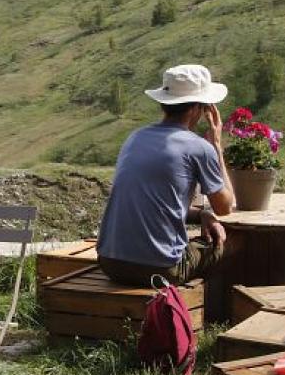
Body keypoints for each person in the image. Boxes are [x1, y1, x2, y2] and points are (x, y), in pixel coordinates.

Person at [96, 64, 236, 287]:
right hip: (162, 269)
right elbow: (225, 207)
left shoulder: (135, 138)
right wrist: (217, 145)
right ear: (198, 109)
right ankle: (210, 314)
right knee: (228, 243)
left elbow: (157, 203)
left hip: (110, 263)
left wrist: (200, 215)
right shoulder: (200, 147)